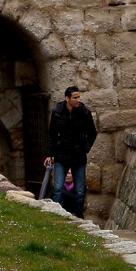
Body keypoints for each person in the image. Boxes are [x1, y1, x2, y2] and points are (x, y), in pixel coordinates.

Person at [44, 85, 97, 219]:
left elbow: (92, 132)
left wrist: (85, 147)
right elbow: (52, 134)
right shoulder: (57, 111)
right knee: (58, 189)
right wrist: (51, 153)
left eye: (79, 97)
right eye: (75, 97)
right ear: (67, 98)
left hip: (78, 156)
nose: (78, 100)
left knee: (79, 190)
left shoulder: (84, 112)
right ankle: (56, 216)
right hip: (61, 155)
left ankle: (78, 216)